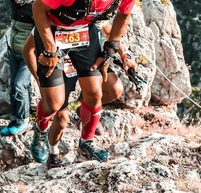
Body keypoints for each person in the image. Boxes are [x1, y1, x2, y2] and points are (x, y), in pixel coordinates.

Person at [29, 0, 141, 165]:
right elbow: (38, 8)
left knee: (95, 92)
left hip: (84, 32)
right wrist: (50, 50)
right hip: (53, 31)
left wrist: (112, 47)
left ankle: (86, 141)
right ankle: (40, 130)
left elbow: (123, 16)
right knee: (53, 103)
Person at [22, 19, 141, 168]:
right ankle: (53, 152)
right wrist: (40, 80)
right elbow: (27, 49)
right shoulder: (53, 17)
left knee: (114, 89)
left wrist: (124, 57)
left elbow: (110, 31)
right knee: (61, 118)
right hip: (62, 67)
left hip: (86, 57)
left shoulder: (89, 12)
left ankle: (84, 121)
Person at [0, 0, 36, 136]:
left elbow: (43, 30)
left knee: (20, 85)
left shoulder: (34, 7)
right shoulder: (14, 2)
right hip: (14, 52)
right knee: (13, 86)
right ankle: (14, 120)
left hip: (28, 55)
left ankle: (23, 121)